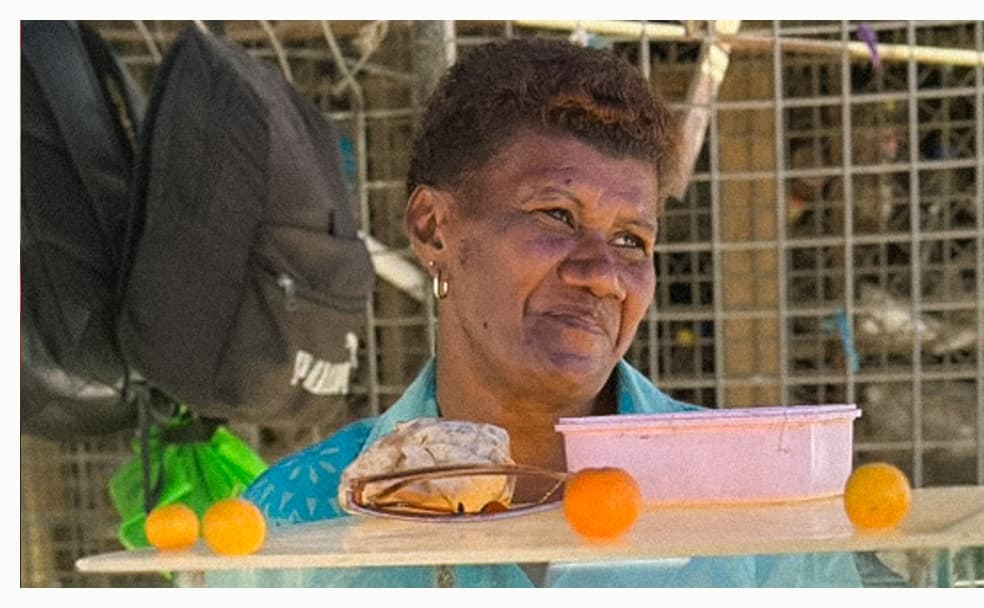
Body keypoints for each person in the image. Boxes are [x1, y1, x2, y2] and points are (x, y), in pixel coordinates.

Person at [207, 36, 863, 588]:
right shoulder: (293, 522)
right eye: (557, 215)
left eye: (632, 240)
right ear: (435, 229)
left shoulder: (756, 498)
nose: (603, 273)